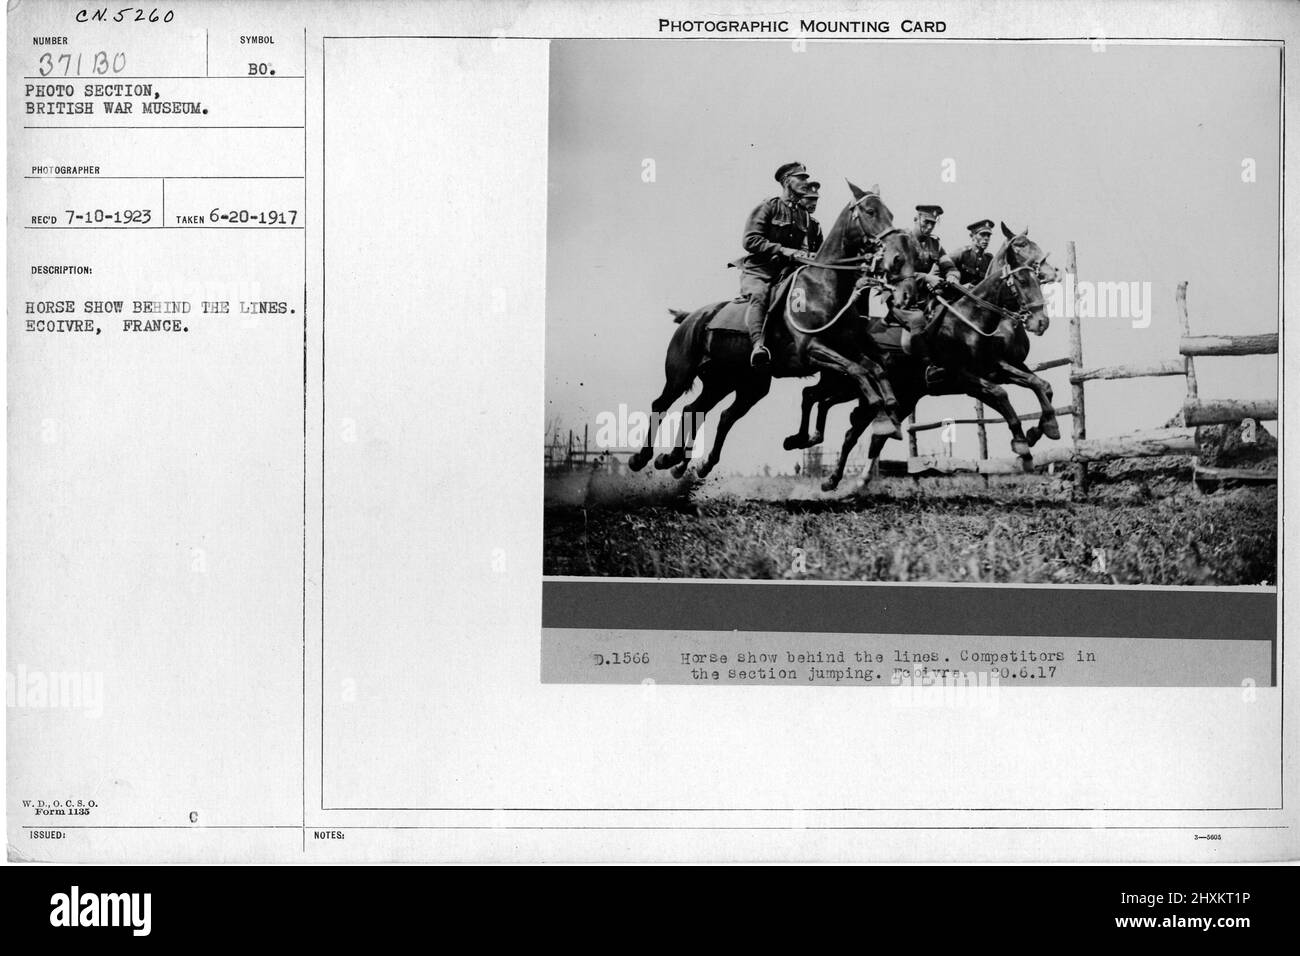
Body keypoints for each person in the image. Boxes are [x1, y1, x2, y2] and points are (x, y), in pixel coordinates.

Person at [738, 162, 818, 367]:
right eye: (801, 178)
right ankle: (758, 346)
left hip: (788, 272)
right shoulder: (769, 206)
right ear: (786, 181)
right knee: (760, 295)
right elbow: (750, 240)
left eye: (806, 178)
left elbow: (805, 248)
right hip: (760, 271)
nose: (805, 182)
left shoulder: (804, 216)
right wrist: (782, 250)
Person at [951, 218, 995, 286]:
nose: (986, 238)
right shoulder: (962, 253)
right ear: (972, 236)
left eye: (988, 235)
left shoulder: (989, 260)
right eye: (982, 234)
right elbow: (942, 269)